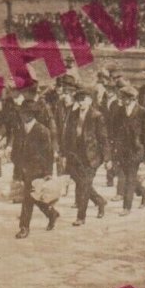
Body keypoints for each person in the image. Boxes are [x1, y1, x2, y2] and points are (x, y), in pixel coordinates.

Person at [61, 89, 108, 226]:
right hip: (75, 155)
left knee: (85, 185)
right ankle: (100, 201)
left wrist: (107, 158)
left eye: (83, 99)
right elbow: (68, 136)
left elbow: (103, 138)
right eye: (79, 99)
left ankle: (81, 217)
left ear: (90, 100)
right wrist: (64, 154)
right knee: (81, 183)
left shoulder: (96, 116)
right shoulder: (73, 114)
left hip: (91, 156)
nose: (81, 102)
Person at [13, 100, 59, 239]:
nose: (23, 116)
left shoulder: (42, 130)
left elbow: (48, 154)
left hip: (37, 170)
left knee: (28, 199)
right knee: (34, 197)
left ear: (32, 115)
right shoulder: (20, 129)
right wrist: (16, 170)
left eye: (26, 113)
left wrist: (48, 173)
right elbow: (16, 151)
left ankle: (24, 227)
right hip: (23, 169)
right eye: (22, 113)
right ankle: (52, 213)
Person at [110, 86, 145, 216]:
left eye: (124, 98)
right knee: (128, 176)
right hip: (123, 150)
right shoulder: (119, 111)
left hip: (136, 149)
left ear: (131, 98)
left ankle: (127, 207)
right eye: (121, 97)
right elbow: (115, 130)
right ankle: (144, 193)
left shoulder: (142, 112)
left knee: (129, 178)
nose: (122, 100)